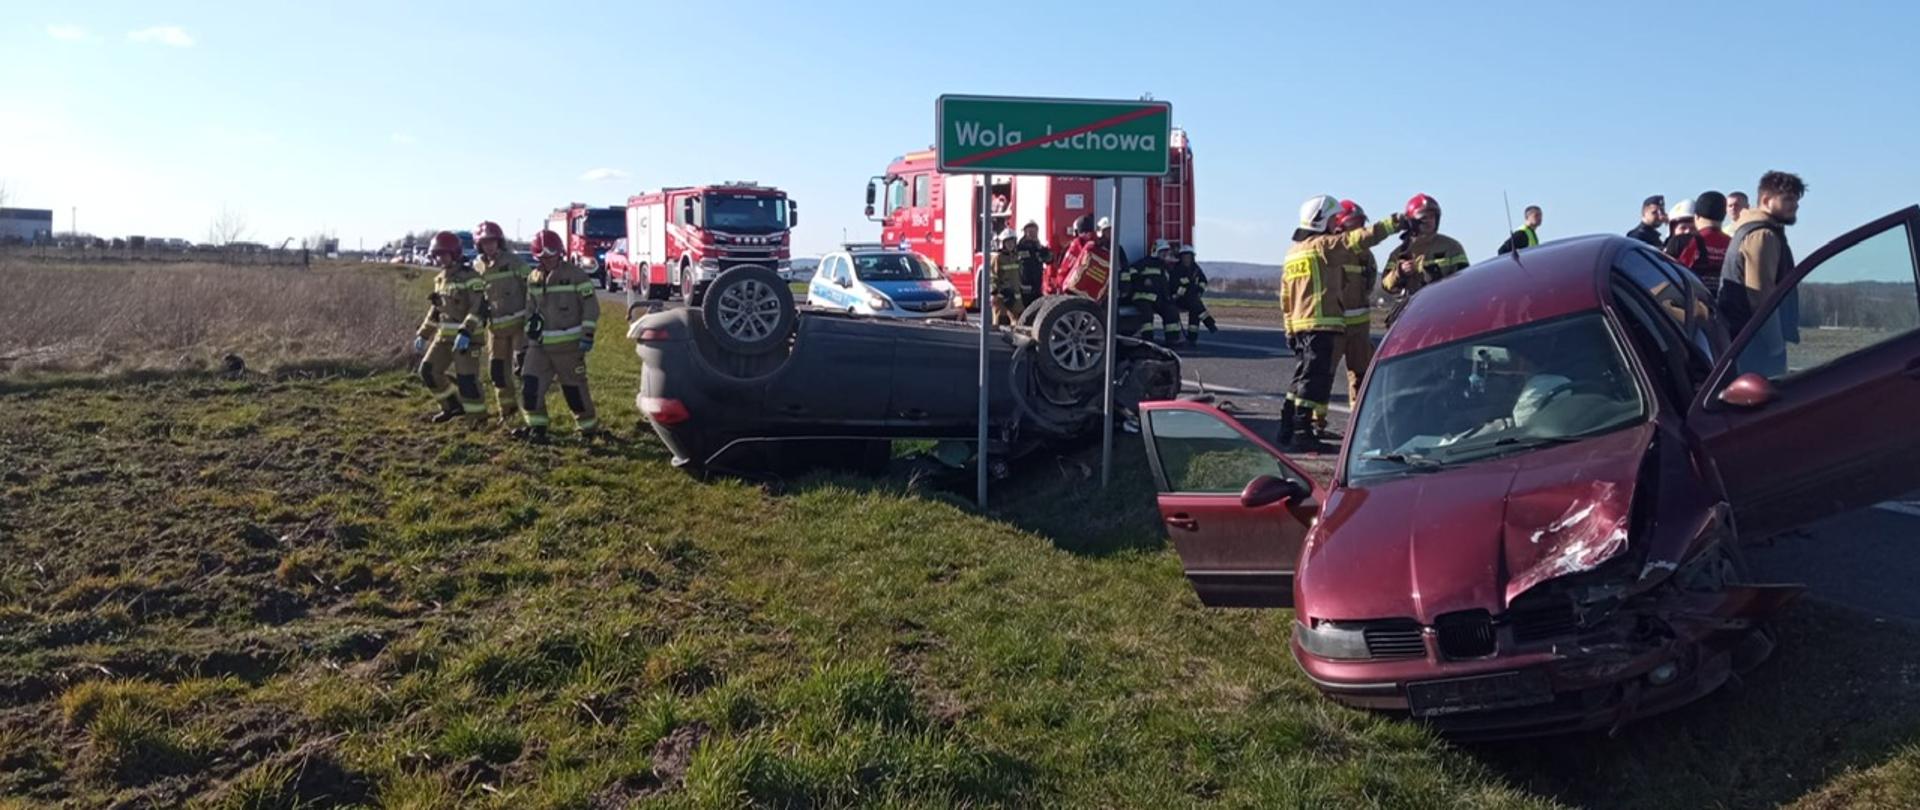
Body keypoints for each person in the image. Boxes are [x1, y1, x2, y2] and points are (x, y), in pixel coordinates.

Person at [1281, 195, 1405, 452]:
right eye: (1334, 219)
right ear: (1323, 220)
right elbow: (1356, 240)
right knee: (1315, 380)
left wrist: (1289, 329)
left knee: (1301, 377)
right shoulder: (1324, 246)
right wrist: (1393, 224)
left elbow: (1285, 296)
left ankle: (1287, 424)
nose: (1337, 223)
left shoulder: (1293, 253)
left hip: (1301, 325)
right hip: (1323, 325)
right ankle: (1303, 431)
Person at [517, 229, 604, 442]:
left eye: (551, 254)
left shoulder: (575, 275)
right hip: (540, 347)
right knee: (530, 386)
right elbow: (530, 308)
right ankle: (537, 427)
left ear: (560, 253)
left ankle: (588, 430)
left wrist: (587, 334)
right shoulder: (533, 278)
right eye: (542, 256)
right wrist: (529, 333)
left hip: (569, 347)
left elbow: (591, 306)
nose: (547, 259)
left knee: (574, 391)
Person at [1717, 171, 1806, 377]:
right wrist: (1775, 346)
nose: (1795, 205)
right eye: (1788, 199)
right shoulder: (1762, 235)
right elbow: (1762, 295)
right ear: (1766, 200)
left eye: (1796, 199)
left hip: (1744, 338)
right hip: (1754, 342)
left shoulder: (1753, 230)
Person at [412, 231, 490, 423]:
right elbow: (436, 311)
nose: (440, 258)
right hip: (444, 338)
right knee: (428, 371)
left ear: (454, 253)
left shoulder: (470, 277)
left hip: (467, 340)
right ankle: (452, 407)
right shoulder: (440, 279)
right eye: (437, 254)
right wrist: (423, 334)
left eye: (444, 254)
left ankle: (478, 418)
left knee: (467, 381)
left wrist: (466, 331)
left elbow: (478, 307)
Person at [473, 220, 531, 428]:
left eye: (493, 241)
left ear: (499, 242)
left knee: (522, 370)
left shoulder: (514, 262)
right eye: (485, 242)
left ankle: (531, 415)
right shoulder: (478, 267)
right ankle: (508, 412)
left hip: (518, 326)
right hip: (495, 329)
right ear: (479, 245)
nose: (489, 246)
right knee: (497, 372)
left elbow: (532, 286)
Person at [1382, 194, 1470, 323]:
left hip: (1444, 313)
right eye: (1423, 217)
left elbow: (1465, 280)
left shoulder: (1451, 246)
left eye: (1432, 217)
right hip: (1410, 316)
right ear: (1412, 221)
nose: (1429, 221)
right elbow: (1386, 285)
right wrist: (1399, 272)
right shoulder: (1399, 253)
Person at [1329, 200, 1378, 427]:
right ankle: (1315, 421)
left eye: (1360, 224)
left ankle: (1357, 422)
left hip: (1359, 323)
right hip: (1334, 323)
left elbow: (1369, 283)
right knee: (1324, 373)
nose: (1358, 229)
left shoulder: (1366, 255)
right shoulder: (1330, 249)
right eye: (1353, 224)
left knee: (1360, 373)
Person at [1120, 240, 1180, 345]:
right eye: (1163, 252)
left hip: (1158, 298)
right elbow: (1130, 271)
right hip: (1142, 297)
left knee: (1171, 311)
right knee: (1147, 315)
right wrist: (1142, 281)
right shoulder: (1145, 262)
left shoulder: (1164, 267)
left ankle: (1172, 339)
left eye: (1167, 252)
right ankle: (1148, 341)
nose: (1165, 255)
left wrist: (1170, 298)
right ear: (1155, 251)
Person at [1046, 214, 1113, 299]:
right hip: (1090, 294)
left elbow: (1061, 269)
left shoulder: (1073, 246)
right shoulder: (1096, 246)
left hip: (1070, 291)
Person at [1679, 191, 1731, 292]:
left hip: (1696, 300)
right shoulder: (1733, 243)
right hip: (1726, 301)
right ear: (1724, 216)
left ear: (1696, 217)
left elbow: (1677, 274)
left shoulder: (1688, 242)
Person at [1167, 244, 1217, 343]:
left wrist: (1199, 290)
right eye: (1185, 257)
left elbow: (1203, 281)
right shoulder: (1176, 270)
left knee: (1195, 309)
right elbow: (1175, 286)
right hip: (1179, 299)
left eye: (1189, 257)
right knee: (1195, 303)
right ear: (1181, 258)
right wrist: (1188, 289)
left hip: (1192, 298)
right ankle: (1209, 322)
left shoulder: (1196, 268)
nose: (1187, 259)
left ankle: (1193, 337)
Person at [989, 229, 1024, 326]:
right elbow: (992, 276)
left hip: (1015, 297)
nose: (1010, 245)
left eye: (1012, 242)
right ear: (1003, 243)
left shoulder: (1016, 257)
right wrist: (995, 291)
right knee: (999, 322)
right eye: (1008, 242)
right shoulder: (998, 258)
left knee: (1016, 322)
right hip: (1002, 297)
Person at [1015, 221, 1050, 306]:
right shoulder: (1019, 248)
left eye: (1034, 232)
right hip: (1024, 286)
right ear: (1025, 232)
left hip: (1037, 287)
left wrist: (1044, 251)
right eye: (1030, 232)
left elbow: (1049, 260)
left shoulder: (1039, 248)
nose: (1033, 234)